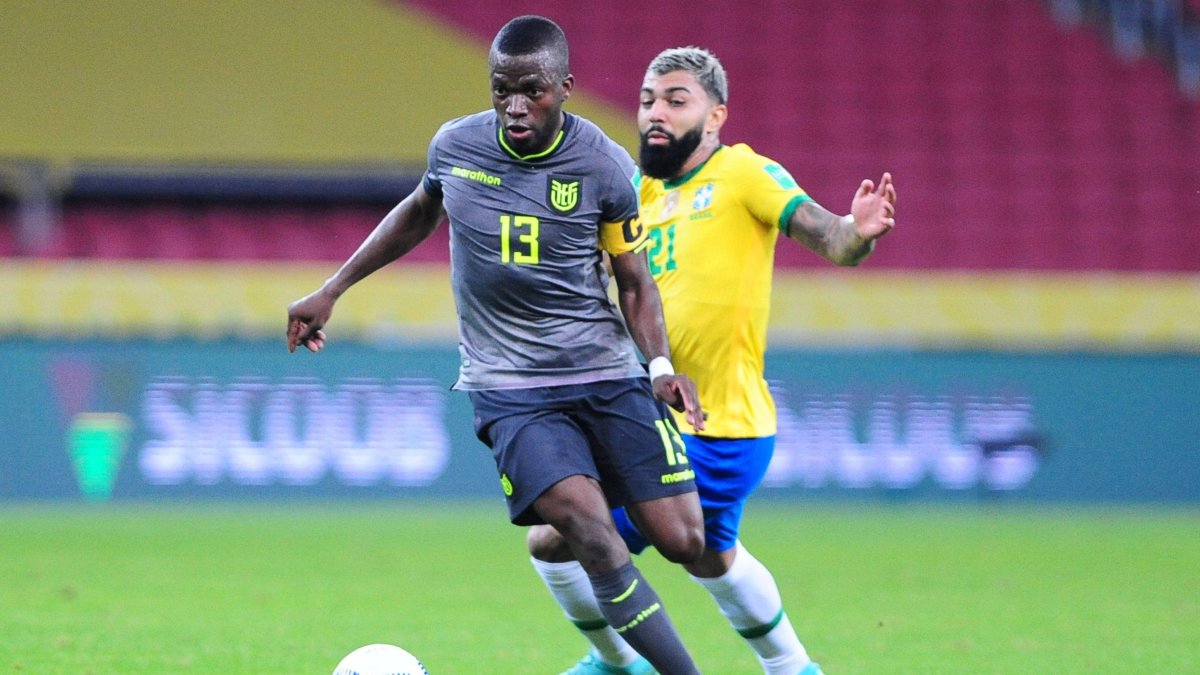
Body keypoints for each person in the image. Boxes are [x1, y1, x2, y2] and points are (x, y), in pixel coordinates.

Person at [286, 19, 711, 675]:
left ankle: (562, 526)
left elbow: (634, 279)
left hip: (604, 373)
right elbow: (420, 210)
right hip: (511, 390)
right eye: (501, 90)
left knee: (685, 539)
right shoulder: (456, 146)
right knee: (599, 541)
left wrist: (659, 366)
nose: (515, 105)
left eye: (531, 91)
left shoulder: (602, 166)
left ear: (564, 88)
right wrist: (332, 288)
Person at [526, 47, 897, 675]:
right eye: (647, 101)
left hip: (718, 426)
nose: (655, 114)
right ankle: (793, 669)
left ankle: (617, 663)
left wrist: (855, 232)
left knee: (559, 537)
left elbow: (827, 235)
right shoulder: (635, 192)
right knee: (710, 557)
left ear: (716, 115)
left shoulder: (743, 174)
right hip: (654, 421)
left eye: (676, 100)